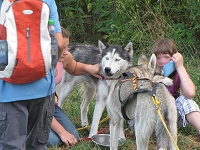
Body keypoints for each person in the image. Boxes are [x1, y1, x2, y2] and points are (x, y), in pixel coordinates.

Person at [0, 0, 64, 149]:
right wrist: (52, 67)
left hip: (8, 89)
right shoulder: (47, 1)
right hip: (43, 88)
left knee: (11, 146)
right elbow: (59, 43)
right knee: (37, 145)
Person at [47, 27, 102, 147]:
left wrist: (90, 68)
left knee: (73, 135)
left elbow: (75, 67)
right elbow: (39, 106)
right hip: (32, 108)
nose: (67, 51)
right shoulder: (40, 64)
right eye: (62, 47)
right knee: (54, 140)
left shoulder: (64, 57)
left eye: (67, 46)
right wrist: (61, 132)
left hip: (50, 106)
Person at [151, 38, 200, 137]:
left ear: (174, 58)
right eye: (158, 57)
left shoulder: (178, 73)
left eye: (166, 57)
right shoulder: (148, 72)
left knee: (186, 100)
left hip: (172, 117)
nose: (162, 61)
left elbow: (190, 93)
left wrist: (180, 67)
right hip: (151, 118)